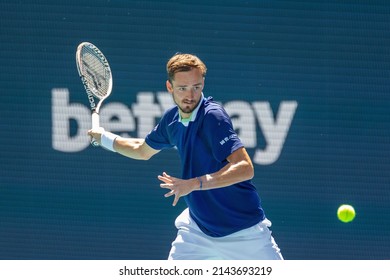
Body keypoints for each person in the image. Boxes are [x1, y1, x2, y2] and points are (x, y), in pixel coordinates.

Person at [88, 53, 283, 260]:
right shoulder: (171, 120)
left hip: (245, 234)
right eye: (182, 88)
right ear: (169, 87)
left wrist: (194, 184)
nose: (190, 95)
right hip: (197, 233)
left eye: (196, 87)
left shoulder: (212, 117)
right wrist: (105, 139)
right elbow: (142, 150)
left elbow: (245, 167)